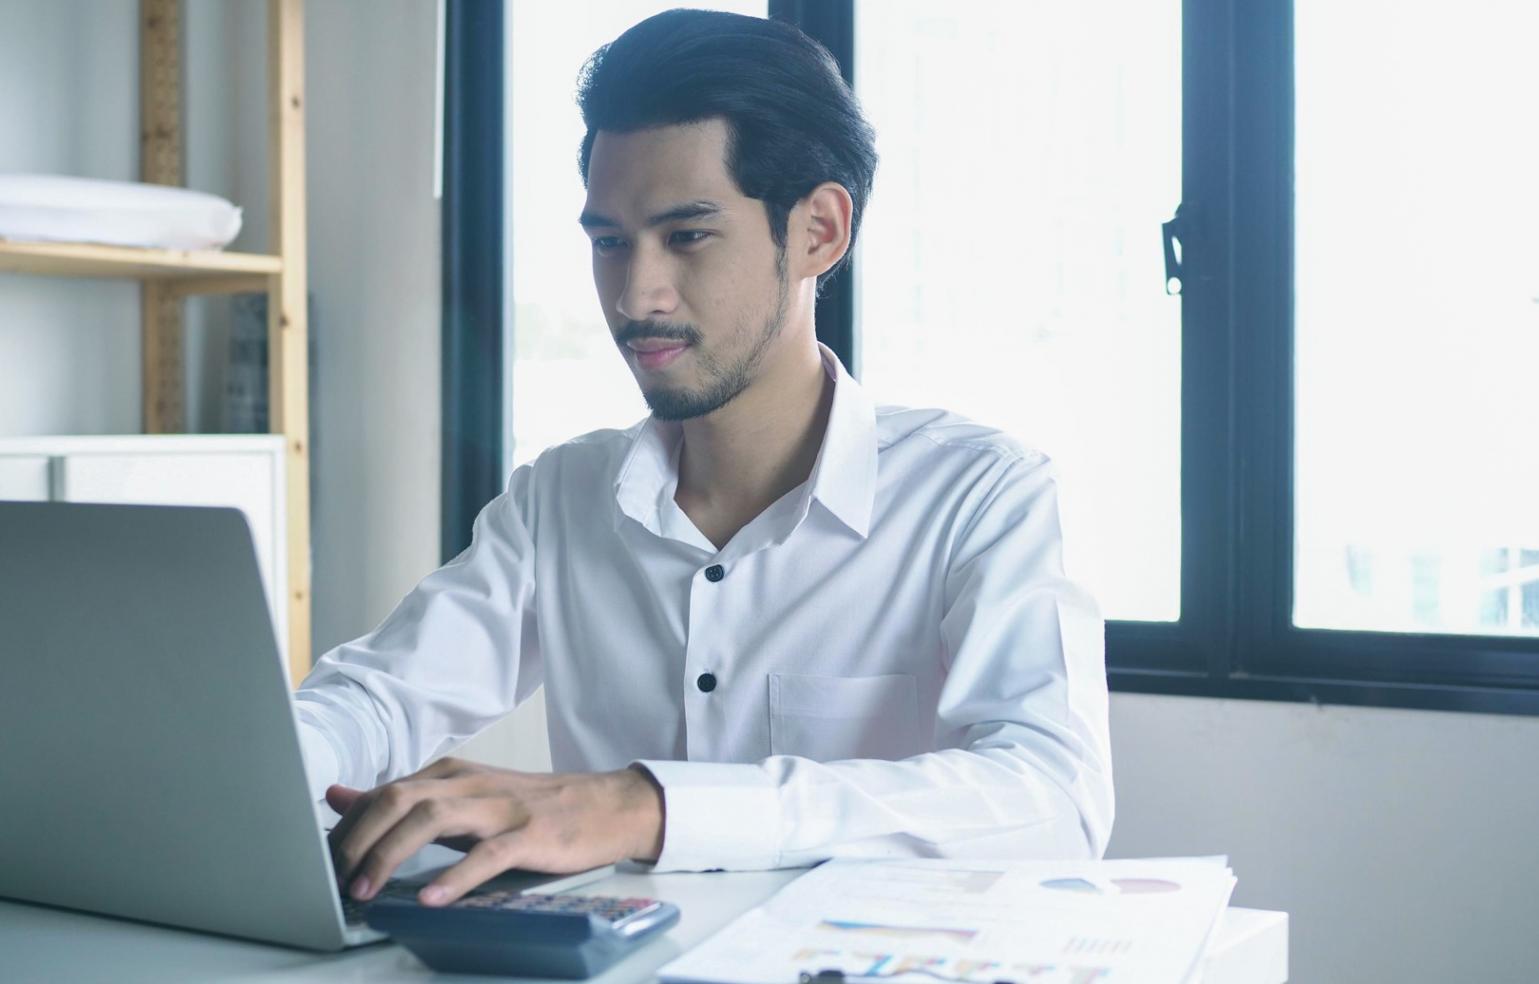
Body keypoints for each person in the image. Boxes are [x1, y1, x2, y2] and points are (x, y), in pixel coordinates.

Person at [296, 8, 1112, 911]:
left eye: (687, 235)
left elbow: (1053, 798)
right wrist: (246, 774)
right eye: (609, 241)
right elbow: (379, 697)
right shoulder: (562, 496)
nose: (635, 295)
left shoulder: (977, 493)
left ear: (818, 233)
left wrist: (648, 806)